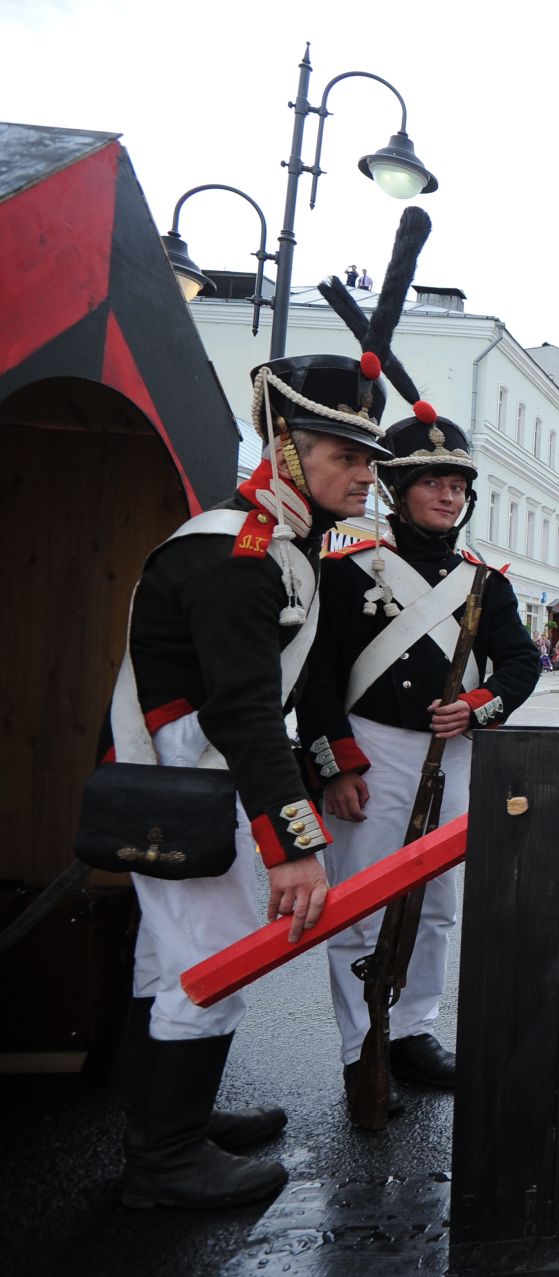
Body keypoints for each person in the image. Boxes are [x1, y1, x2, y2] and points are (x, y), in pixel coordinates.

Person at [109, 326, 394, 1207]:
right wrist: (292, 842)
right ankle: (164, 1162)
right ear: (285, 449)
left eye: (368, 459)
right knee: (211, 958)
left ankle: (174, 1127)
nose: (366, 475)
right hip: (193, 784)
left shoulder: (280, 543)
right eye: (347, 456)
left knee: (168, 961)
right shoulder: (237, 552)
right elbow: (240, 710)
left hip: (194, 778)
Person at [299, 398, 540, 1105]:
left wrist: (478, 705)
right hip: (369, 751)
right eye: (433, 482)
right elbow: (314, 681)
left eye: (457, 485)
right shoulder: (347, 571)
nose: (447, 494)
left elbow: (519, 664)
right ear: (398, 490)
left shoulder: (485, 583)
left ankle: (412, 1030)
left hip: (453, 756)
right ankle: (362, 1045)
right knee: (362, 905)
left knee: (435, 903)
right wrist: (335, 763)